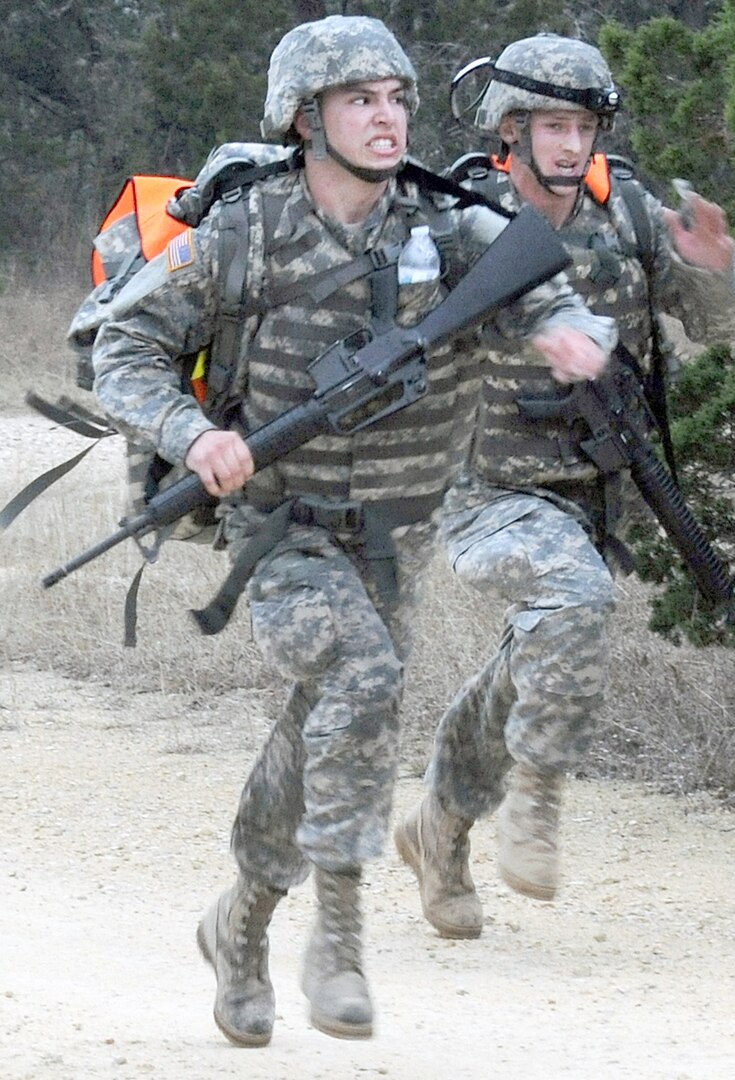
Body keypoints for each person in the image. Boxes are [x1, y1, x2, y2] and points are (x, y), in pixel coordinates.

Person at [91, 17, 615, 1045]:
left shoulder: (450, 222)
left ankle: (237, 924)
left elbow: (547, 288)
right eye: (358, 100)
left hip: (397, 533)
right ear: (304, 117)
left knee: (319, 720)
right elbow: (126, 348)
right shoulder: (246, 232)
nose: (385, 118)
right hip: (277, 526)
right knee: (364, 679)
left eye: (396, 99)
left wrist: (570, 335)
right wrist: (195, 435)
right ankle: (336, 936)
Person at [395, 33, 735, 939]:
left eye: (583, 125)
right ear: (508, 131)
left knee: (541, 651)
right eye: (551, 125)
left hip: (593, 493)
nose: (570, 144)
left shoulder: (626, 214)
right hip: (478, 486)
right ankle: (537, 800)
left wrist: (719, 269)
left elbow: (721, 326)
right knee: (573, 598)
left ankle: (438, 825)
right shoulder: (449, 217)